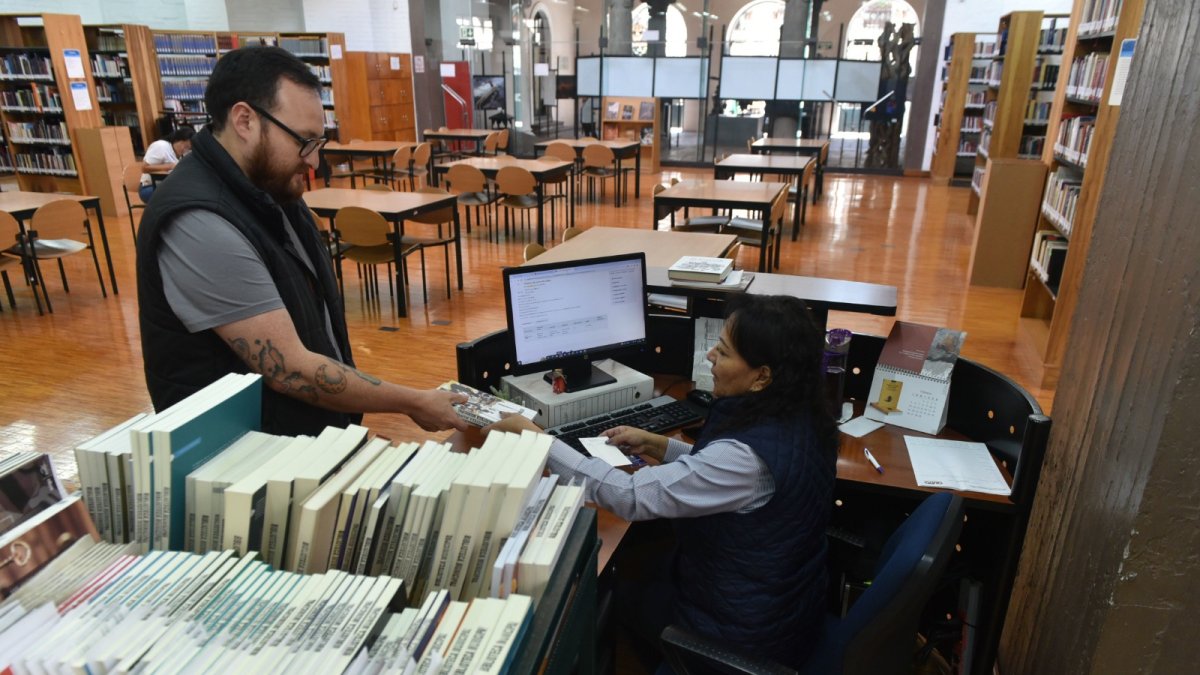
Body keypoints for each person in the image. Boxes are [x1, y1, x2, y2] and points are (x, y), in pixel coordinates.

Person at [486, 294, 839, 670]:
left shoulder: (746, 459)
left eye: (723, 352)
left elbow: (630, 497)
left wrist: (539, 440)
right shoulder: (803, 416)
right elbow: (727, 478)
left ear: (762, 376)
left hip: (737, 636)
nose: (710, 358)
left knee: (600, 589)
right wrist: (660, 445)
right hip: (785, 606)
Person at [135, 47, 468, 437]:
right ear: (245, 120)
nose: (313, 161)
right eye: (303, 140)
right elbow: (288, 367)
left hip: (298, 440)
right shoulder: (199, 220)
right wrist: (413, 401)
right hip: (242, 459)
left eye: (319, 142)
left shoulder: (269, 188)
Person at [138, 126, 195, 202]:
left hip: (167, 187)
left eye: (188, 148)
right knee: (181, 196)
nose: (184, 150)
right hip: (149, 188)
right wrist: (169, 166)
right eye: (184, 146)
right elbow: (144, 168)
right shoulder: (161, 146)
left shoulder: (181, 156)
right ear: (176, 140)